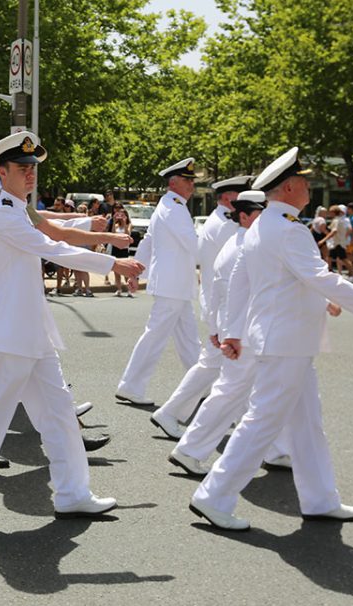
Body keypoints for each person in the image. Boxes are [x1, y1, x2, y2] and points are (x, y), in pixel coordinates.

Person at [189, 147, 353, 531]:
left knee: (308, 423)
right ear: (290, 187)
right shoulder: (288, 229)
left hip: (281, 339)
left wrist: (232, 332)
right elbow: (319, 278)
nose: (309, 185)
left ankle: (320, 499)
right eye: (305, 180)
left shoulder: (263, 226)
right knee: (262, 420)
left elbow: (242, 282)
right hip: (285, 341)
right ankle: (213, 495)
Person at [0, 132, 141, 524]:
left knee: (59, 412)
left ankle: (73, 493)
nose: (31, 175)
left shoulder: (12, 207)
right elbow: (54, 248)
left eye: (33, 169)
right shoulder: (4, 214)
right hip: (13, 335)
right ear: (2, 171)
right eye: (22, 168)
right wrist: (114, 263)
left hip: (32, 333)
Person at [169, 190, 296, 476]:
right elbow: (234, 293)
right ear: (245, 215)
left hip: (241, 329)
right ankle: (190, 449)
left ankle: (277, 450)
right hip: (246, 332)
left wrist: (216, 328)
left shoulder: (239, 242)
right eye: (260, 213)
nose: (266, 219)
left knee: (262, 393)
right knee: (235, 393)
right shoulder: (247, 245)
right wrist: (224, 332)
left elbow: (217, 293)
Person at [150, 175, 252, 439]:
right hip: (229, 311)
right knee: (227, 373)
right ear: (231, 199)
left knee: (219, 370)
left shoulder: (221, 222)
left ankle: (264, 437)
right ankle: (178, 421)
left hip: (225, 309)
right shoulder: (229, 227)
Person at [114, 157, 198, 407]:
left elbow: (149, 241)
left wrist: (136, 271)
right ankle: (130, 386)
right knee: (156, 337)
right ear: (174, 183)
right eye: (187, 180)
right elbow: (192, 244)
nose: (192, 185)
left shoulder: (168, 205)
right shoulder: (175, 207)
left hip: (175, 285)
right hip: (173, 285)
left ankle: (203, 386)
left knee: (189, 340)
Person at [109, 206, 133, 296]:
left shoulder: (129, 224)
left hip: (124, 249)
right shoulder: (116, 225)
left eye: (123, 215)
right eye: (119, 215)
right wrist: (115, 221)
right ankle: (119, 289)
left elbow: (128, 234)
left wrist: (125, 223)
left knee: (125, 270)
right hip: (116, 248)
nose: (121, 216)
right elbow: (112, 234)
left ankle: (129, 289)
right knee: (116, 270)